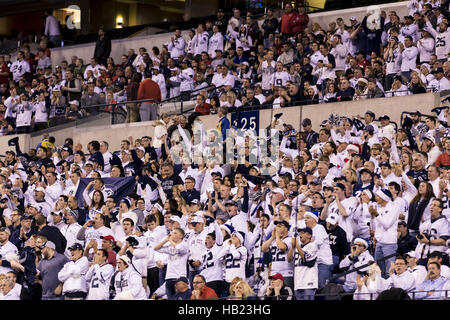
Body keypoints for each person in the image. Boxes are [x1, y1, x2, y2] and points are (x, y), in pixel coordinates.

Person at [288, 227, 318, 300]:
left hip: (308, 283)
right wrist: (292, 247)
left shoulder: (312, 245)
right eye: (300, 233)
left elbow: (306, 258)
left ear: (309, 235)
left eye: (303, 233)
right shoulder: (297, 247)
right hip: (298, 283)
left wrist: (297, 245)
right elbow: (289, 259)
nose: (300, 234)